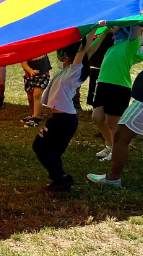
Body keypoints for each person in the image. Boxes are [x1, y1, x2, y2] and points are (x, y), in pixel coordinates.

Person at [89, 12, 143, 187]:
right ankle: (113, 175)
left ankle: (112, 179)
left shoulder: (132, 45)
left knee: (119, 138)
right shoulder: (115, 46)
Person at [34, 28, 97, 192]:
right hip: (62, 120)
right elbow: (88, 50)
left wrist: (95, 27)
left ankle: (61, 178)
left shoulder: (73, 73)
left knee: (40, 146)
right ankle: (60, 180)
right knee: (52, 151)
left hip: (64, 121)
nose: (60, 59)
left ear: (68, 58)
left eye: (62, 56)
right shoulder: (66, 72)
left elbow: (84, 50)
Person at [91, 22, 143, 161]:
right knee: (97, 117)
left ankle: (116, 152)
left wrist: (137, 12)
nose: (113, 35)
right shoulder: (113, 47)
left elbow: (136, 26)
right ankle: (110, 145)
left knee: (112, 123)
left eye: (116, 31)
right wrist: (105, 30)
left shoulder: (130, 45)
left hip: (118, 87)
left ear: (125, 31)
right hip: (103, 85)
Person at [21, 54, 52, 128]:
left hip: (43, 75)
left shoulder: (42, 47)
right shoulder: (26, 50)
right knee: (30, 98)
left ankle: (36, 118)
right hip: (29, 77)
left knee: (37, 95)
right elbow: (24, 64)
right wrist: (31, 71)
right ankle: (33, 115)